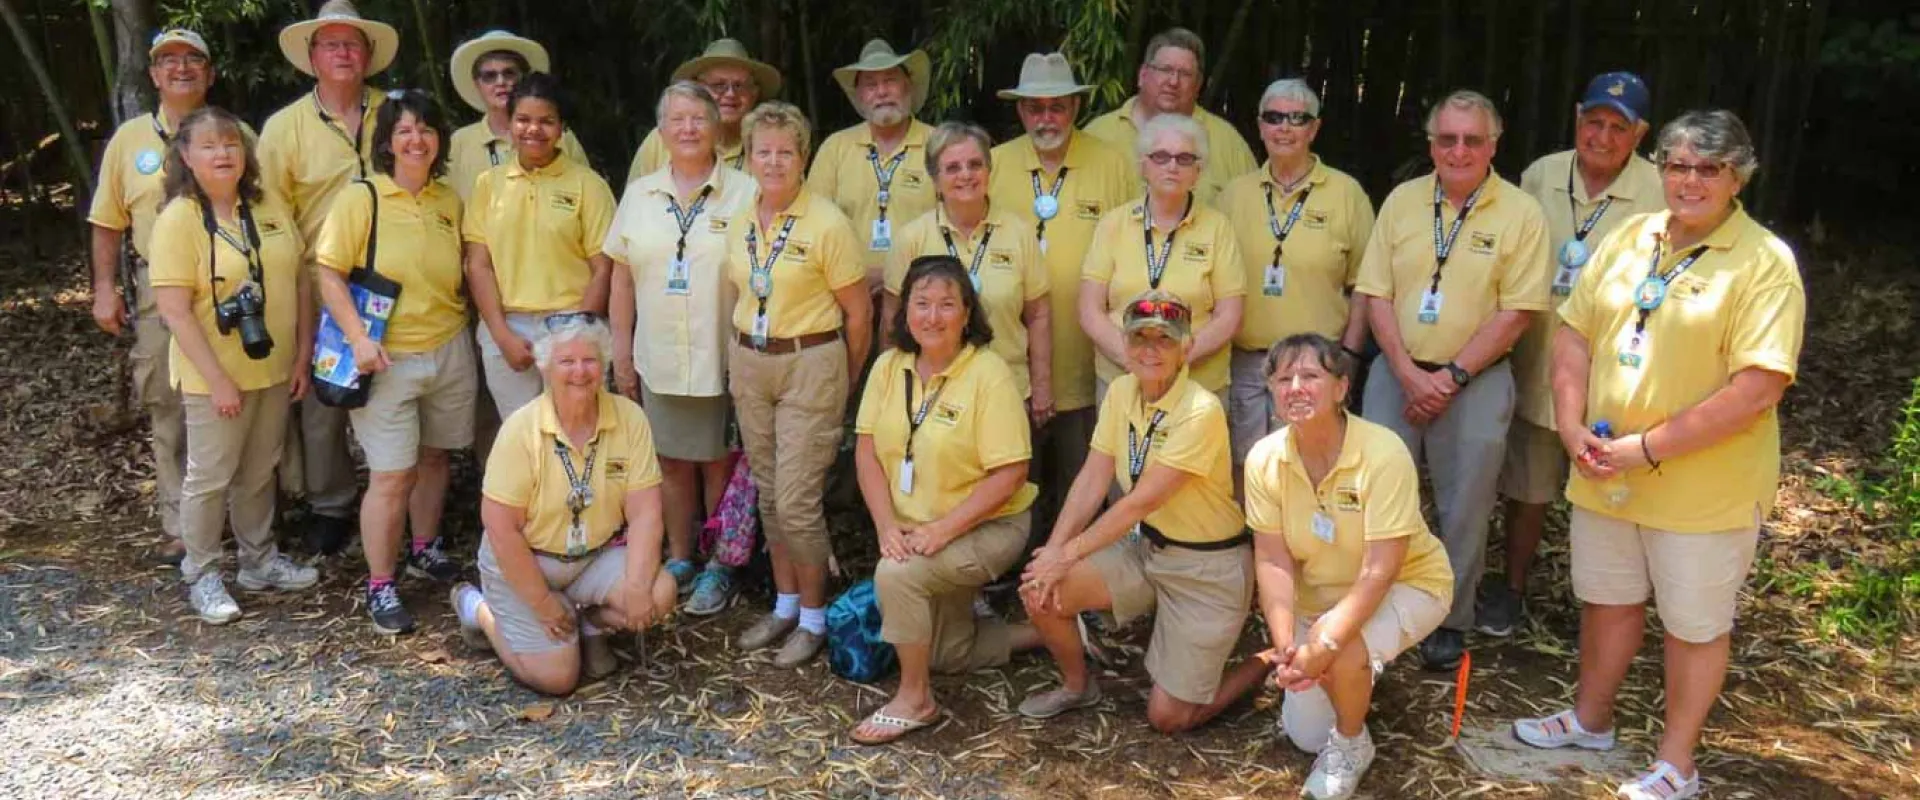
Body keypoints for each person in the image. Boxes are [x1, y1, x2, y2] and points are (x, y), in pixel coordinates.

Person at [1513, 110, 1804, 800]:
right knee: (1607, 600)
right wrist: (1569, 420)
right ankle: (1591, 720)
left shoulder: (1764, 262)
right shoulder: (1631, 234)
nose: (1690, 180)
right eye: (1677, 165)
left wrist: (1645, 448)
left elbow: (1757, 387)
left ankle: (1678, 765)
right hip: (1605, 466)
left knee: (1694, 626)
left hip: (1702, 487)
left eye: (1709, 168)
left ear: (1739, 177)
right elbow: (1574, 332)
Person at [1352, 89, 1550, 670]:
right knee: (1378, 495)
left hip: (1476, 380)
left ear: (1494, 143)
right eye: (1447, 138)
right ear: (1431, 142)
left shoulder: (1520, 213)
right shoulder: (1401, 201)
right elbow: (1376, 292)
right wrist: (1410, 374)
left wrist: (1452, 377)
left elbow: (1516, 311)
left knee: (1465, 505)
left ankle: (1448, 618)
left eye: (1472, 139)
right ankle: (1376, 602)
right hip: (1399, 369)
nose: (1458, 150)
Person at [1017, 291, 1264, 734]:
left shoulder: (1201, 410)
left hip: (1206, 567)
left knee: (1169, 719)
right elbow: (1093, 478)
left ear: (1187, 347)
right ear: (1124, 346)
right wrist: (1053, 552)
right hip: (1147, 547)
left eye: (1165, 340)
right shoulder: (1121, 391)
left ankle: (1266, 661)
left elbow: (1139, 501)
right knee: (1040, 589)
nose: (1150, 350)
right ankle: (1077, 687)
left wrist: (1068, 553)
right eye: (1140, 339)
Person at [1483, 72, 1664, 637]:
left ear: (1640, 134)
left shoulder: (1661, 187)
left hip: (1615, 371)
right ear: (1577, 117)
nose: (1603, 137)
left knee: (1610, 492)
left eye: (1618, 127)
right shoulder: (1540, 173)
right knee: (1527, 487)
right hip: (1538, 357)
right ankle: (1512, 588)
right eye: (1594, 122)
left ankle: (1607, 609)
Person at [1243, 334, 1455, 800]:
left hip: (1409, 583)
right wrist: (1285, 646)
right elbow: (1272, 558)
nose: (1296, 387)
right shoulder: (1263, 459)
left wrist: (1326, 643)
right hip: (1319, 598)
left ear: (1341, 389)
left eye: (1311, 376)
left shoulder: (1383, 452)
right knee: (1306, 735)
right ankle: (1352, 678)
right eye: (1283, 378)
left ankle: (1353, 744)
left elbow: (1380, 571)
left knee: (1343, 652)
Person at [848, 255, 1037, 745]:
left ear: (968, 313)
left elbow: (1012, 473)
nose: (933, 317)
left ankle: (916, 700)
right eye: (922, 303)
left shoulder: (989, 373)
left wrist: (941, 530)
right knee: (946, 655)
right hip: (916, 528)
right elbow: (866, 452)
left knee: (897, 576)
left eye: (947, 305)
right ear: (904, 311)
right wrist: (887, 525)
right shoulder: (889, 366)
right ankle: (1051, 634)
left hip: (987, 527)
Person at [313, 90, 474, 635]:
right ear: (386, 142)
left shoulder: (449, 200)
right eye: (404, 130)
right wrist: (358, 338)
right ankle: (380, 584)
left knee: (434, 458)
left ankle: (423, 548)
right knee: (391, 474)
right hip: (386, 356)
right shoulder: (363, 198)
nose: (416, 139)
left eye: (426, 130)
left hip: (449, 345)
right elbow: (329, 271)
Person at [449, 314, 679, 695]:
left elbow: (645, 513)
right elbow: (501, 527)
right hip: (526, 558)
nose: (579, 372)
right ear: (545, 367)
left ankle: (587, 623)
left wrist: (637, 586)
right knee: (558, 679)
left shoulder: (629, 418)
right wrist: (540, 602)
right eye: (566, 361)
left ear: (603, 364)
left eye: (589, 360)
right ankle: (481, 612)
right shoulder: (521, 430)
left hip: (592, 557)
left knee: (659, 593)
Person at [149, 107, 317, 623]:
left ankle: (258, 560)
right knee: (211, 475)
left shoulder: (266, 205)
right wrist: (218, 380)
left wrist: (304, 354)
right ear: (186, 156)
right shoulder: (179, 218)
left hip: (272, 366)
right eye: (209, 145)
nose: (223, 154)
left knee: (259, 470)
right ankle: (201, 572)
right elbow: (174, 310)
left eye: (231, 144)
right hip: (213, 376)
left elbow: (297, 281)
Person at [726, 101, 873, 667]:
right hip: (751, 358)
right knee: (767, 491)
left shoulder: (827, 223)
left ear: (803, 156)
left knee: (797, 498)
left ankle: (814, 617)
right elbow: (740, 292)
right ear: (748, 156)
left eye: (785, 151)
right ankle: (785, 603)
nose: (774, 161)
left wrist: (844, 377)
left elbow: (858, 316)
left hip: (810, 359)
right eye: (763, 150)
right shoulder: (742, 217)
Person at [606, 81, 757, 616]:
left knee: (719, 462)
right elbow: (621, 280)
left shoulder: (746, 191)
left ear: (717, 127)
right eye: (677, 119)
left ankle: (720, 564)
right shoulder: (640, 193)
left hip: (724, 352)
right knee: (668, 461)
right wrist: (620, 352)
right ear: (662, 131)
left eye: (699, 118)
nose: (688, 128)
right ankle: (679, 556)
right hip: (659, 354)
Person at [259, 0, 400, 555]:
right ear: (313, 57)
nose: (343, 53)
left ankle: (400, 498)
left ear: (367, 55)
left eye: (352, 44)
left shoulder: (395, 112)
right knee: (325, 398)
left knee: (398, 386)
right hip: (321, 280)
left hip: (396, 276)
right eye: (331, 44)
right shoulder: (284, 128)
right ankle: (330, 504)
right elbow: (272, 213)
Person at [987, 52, 1137, 541]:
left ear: (1075, 106)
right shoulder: (994, 162)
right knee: (1010, 470)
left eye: (1057, 106)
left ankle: (1076, 569)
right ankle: (1009, 571)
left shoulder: (1112, 163)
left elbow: (1138, 247)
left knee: (1083, 471)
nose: (1046, 117)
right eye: (1035, 108)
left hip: (1086, 351)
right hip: (1008, 352)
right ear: (1019, 112)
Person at [87, 28, 220, 564]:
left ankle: (241, 515)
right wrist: (103, 288)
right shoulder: (129, 140)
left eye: (193, 60)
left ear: (210, 73)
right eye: (169, 61)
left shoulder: (233, 133)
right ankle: (180, 522)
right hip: (155, 288)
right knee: (167, 400)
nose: (181, 69)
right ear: (153, 75)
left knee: (233, 395)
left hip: (225, 281)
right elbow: (105, 222)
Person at [1218, 79, 1376, 477]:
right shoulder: (1233, 196)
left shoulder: (1346, 194)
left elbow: (1366, 288)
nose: (1284, 128)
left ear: (1314, 128)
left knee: (1313, 467)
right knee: (1247, 469)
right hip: (1247, 363)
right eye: (1274, 117)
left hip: (1318, 364)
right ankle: (1256, 542)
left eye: (1296, 118)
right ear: (1259, 125)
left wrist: (1350, 359)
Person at [464, 72, 618, 418]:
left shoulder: (588, 185)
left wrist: (576, 336)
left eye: (546, 121)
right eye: (523, 120)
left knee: (577, 430)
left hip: (571, 323)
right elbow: (478, 265)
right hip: (507, 325)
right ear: (510, 123)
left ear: (562, 128)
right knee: (520, 437)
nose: (533, 130)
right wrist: (501, 335)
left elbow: (602, 268)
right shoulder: (488, 185)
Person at [883, 122, 1050, 416]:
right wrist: (891, 390)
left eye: (975, 164)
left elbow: (1038, 316)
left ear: (989, 171)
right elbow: (891, 321)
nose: (965, 175)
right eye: (952, 168)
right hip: (929, 396)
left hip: (1007, 393)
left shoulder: (1020, 234)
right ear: (935, 180)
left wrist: (1042, 388)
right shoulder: (911, 239)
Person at [1081, 114, 1245, 402]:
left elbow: (1229, 316)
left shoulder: (1218, 228)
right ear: (1143, 166)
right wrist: (1135, 358)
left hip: (1197, 387)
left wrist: (1174, 360)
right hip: (1121, 382)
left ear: (1198, 170)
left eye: (1184, 159)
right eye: (1161, 157)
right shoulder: (1113, 224)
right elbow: (1089, 309)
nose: (1172, 166)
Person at [808, 39, 937, 288]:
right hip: (848, 290)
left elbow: (955, 222)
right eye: (870, 85)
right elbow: (814, 223)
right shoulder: (835, 147)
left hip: (923, 291)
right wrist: (853, 276)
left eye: (890, 81)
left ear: (907, 86)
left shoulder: (938, 144)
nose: (881, 92)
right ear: (858, 96)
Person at [1083, 27, 1257, 205]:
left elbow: (1254, 212)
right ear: (1142, 75)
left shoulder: (1228, 142)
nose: (1173, 82)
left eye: (1185, 74)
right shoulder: (1098, 135)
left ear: (1198, 85)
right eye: (1165, 70)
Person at [445, 30, 588, 202]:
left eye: (509, 73)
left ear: (524, 78)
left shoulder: (560, 137)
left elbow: (586, 194)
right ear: (477, 84)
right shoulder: (460, 143)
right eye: (489, 76)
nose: (500, 82)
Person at [626, 38, 782, 182]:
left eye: (739, 86)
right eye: (719, 85)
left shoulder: (769, 145)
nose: (730, 94)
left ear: (754, 94)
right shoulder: (664, 137)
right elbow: (634, 204)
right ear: (698, 91)